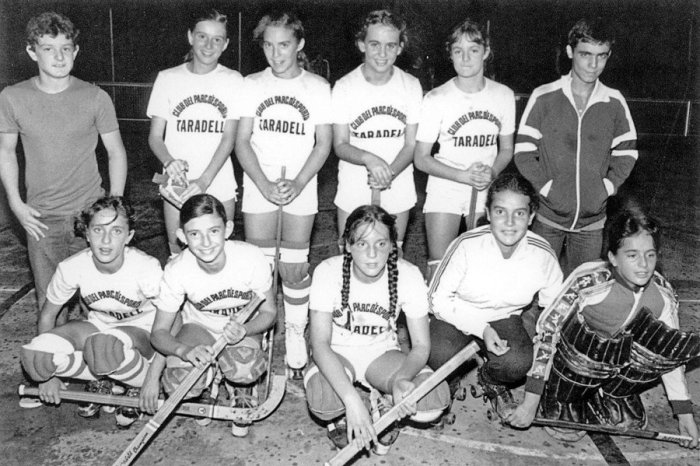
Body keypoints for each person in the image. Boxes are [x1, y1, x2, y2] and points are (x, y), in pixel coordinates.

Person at [509, 207, 699, 449]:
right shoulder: (587, 281)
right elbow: (547, 333)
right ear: (612, 258)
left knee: (661, 343)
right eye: (632, 255)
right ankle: (564, 396)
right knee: (587, 342)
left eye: (650, 255)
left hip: (618, 363)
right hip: (576, 360)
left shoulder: (663, 294)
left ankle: (614, 394)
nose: (643, 265)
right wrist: (531, 400)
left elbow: (670, 354)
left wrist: (684, 414)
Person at [0, 12, 127, 323]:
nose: (59, 56)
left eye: (66, 48)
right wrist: (16, 205)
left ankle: (99, 366)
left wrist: (113, 209)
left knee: (99, 303)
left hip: (89, 215)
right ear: (32, 51)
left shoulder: (95, 96)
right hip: (41, 219)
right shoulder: (13, 97)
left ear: (76, 51)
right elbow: (5, 151)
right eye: (48, 48)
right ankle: (54, 370)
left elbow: (116, 152)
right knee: (49, 302)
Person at [305, 205, 450, 454]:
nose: (372, 254)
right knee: (323, 399)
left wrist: (402, 380)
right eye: (362, 243)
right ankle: (346, 412)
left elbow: (422, 345)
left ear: (393, 245)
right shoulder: (328, 271)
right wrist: (351, 401)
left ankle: (383, 401)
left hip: (381, 354)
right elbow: (319, 344)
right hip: (336, 353)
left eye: (381, 244)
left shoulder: (409, 275)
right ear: (347, 245)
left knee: (433, 402)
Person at [235, 11, 332, 378]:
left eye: (285, 45)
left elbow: (323, 145)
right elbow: (242, 141)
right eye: (269, 46)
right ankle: (257, 329)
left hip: (300, 186)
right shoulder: (251, 84)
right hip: (259, 184)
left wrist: (299, 182)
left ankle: (294, 329)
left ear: (299, 45)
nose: (277, 55)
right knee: (260, 267)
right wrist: (261, 183)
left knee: (294, 266)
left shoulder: (318, 87)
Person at [427, 172, 563, 420]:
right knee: (436, 353)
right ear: (488, 213)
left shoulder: (543, 255)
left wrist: (532, 400)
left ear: (531, 217)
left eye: (519, 213)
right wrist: (481, 328)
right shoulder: (466, 245)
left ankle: (489, 379)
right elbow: (435, 300)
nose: (509, 222)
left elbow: (554, 322)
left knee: (518, 363)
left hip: (504, 319)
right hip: (457, 314)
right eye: (500, 211)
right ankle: (452, 377)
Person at [19, 196, 163, 428]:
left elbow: (172, 319)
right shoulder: (72, 267)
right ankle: (106, 375)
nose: (106, 240)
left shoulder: (146, 268)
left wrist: (153, 377)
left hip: (145, 332)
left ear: (129, 237)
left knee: (105, 346)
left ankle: (134, 380)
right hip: (100, 328)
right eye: (98, 229)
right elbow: (47, 315)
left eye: (116, 231)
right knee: (38, 355)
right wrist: (50, 377)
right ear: (86, 233)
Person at [514, 18, 638, 276]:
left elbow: (627, 151)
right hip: (547, 217)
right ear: (570, 52)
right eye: (586, 55)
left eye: (601, 56)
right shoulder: (544, 95)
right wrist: (546, 188)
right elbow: (524, 151)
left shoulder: (614, 101)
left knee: (582, 294)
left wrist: (607, 187)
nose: (594, 65)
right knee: (535, 287)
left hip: (592, 223)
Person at [149, 194, 277, 436]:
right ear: (181, 237)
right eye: (195, 234)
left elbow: (270, 312)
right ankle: (208, 381)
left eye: (213, 231)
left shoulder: (250, 257)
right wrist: (184, 351)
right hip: (200, 328)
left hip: (242, 328)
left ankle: (240, 387)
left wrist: (246, 330)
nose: (205, 242)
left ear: (227, 229)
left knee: (244, 367)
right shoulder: (177, 270)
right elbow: (158, 333)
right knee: (179, 383)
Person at [414, 19, 515, 280]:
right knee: (439, 269)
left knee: (483, 267)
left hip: (484, 189)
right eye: (458, 51)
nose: (466, 58)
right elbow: (421, 159)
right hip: (445, 188)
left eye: (473, 49)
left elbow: (506, 149)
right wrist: (461, 175)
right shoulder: (437, 98)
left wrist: (491, 171)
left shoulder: (503, 95)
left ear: (486, 51)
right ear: (450, 55)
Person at [147, 9, 242, 256]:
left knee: (219, 255)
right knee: (178, 254)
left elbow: (228, 139)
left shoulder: (233, 80)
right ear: (190, 36)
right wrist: (169, 161)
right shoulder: (168, 78)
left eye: (217, 39)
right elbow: (155, 137)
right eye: (202, 36)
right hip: (177, 186)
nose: (209, 45)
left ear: (226, 44)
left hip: (217, 181)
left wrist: (204, 181)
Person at [332, 9, 422, 249]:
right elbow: (340, 144)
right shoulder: (344, 87)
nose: (382, 53)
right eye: (374, 44)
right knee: (350, 256)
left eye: (390, 45)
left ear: (400, 47)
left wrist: (388, 173)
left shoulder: (411, 86)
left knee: (393, 255)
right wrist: (368, 158)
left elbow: (411, 144)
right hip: (353, 185)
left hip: (398, 182)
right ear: (361, 44)